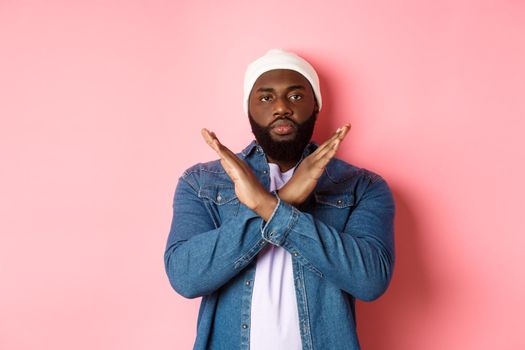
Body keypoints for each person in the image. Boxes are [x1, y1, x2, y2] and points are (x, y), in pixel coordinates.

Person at [164, 48, 396, 350]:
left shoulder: (361, 187)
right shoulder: (202, 183)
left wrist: (267, 205)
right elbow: (186, 277)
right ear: (248, 109)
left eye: (296, 96)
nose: (282, 107)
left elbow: (370, 280)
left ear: (316, 107)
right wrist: (285, 199)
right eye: (266, 97)